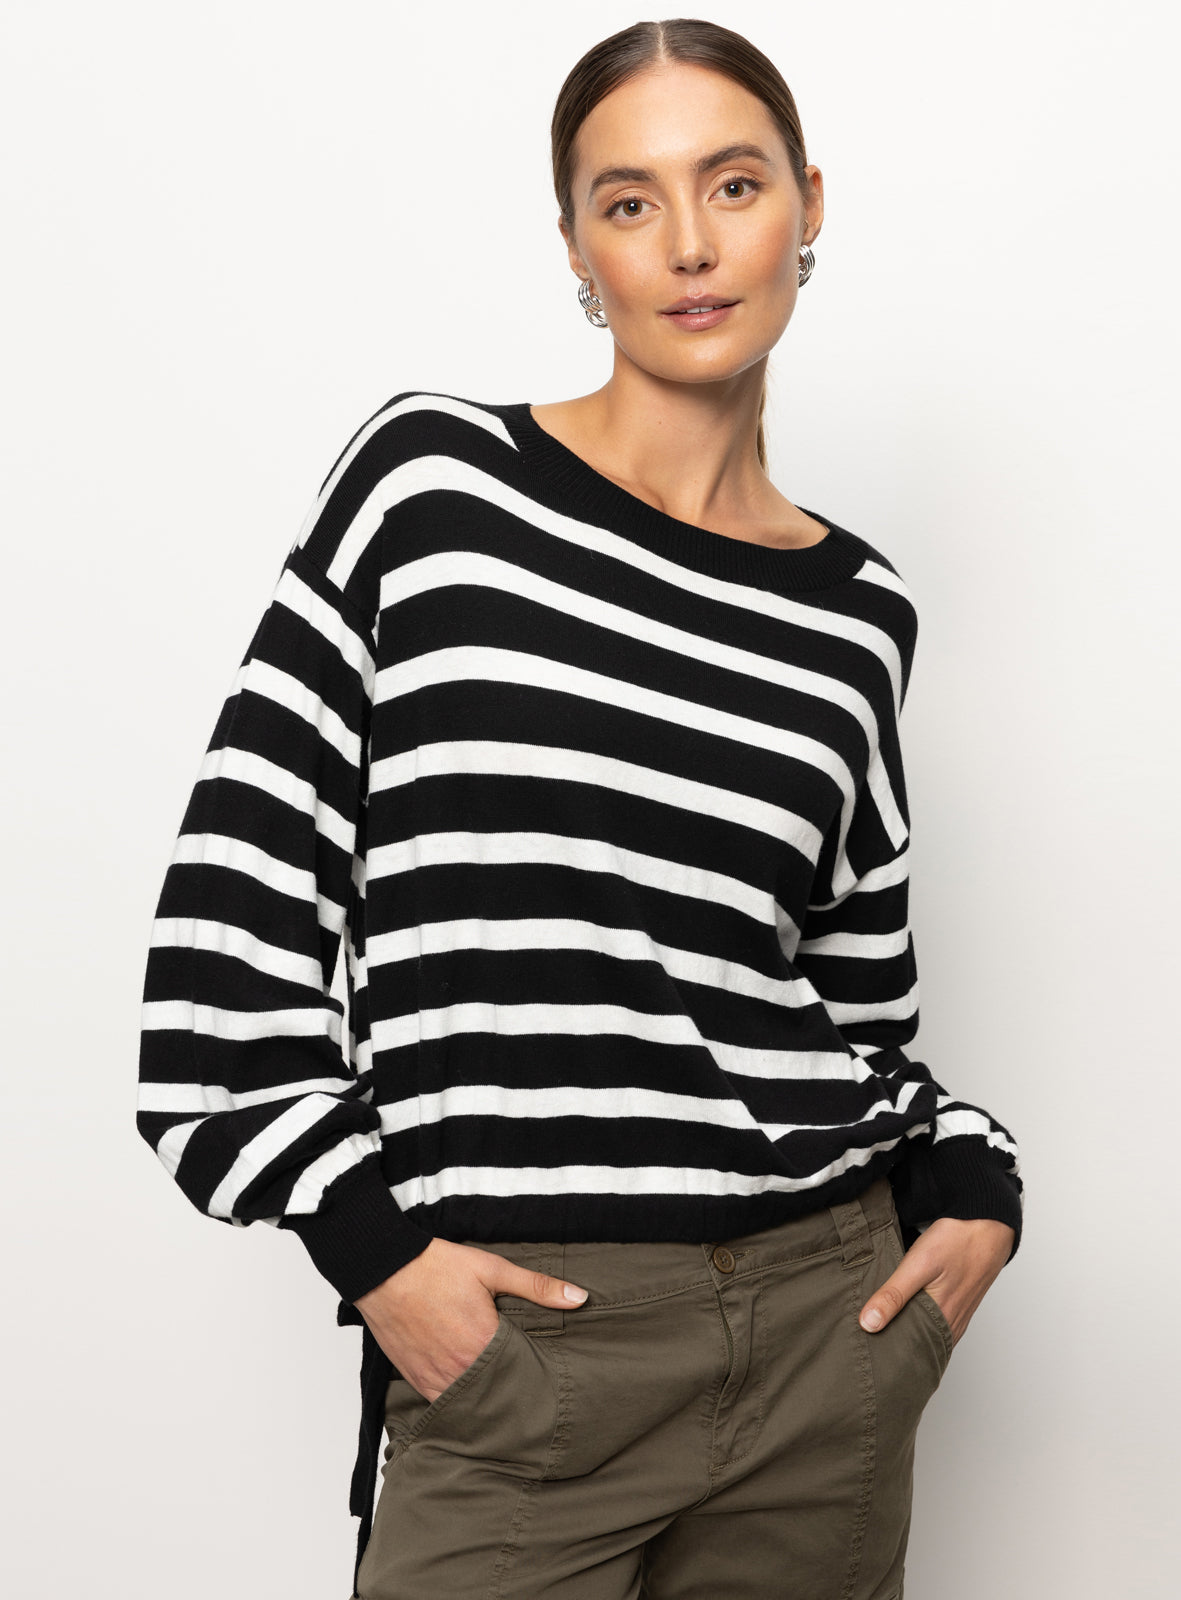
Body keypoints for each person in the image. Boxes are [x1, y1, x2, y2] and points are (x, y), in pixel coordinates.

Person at [137, 17, 1023, 1599]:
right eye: (629, 200)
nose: (690, 244)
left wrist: (968, 1180)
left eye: (734, 184)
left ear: (808, 206)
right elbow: (232, 928)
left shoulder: (857, 611)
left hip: (826, 1333)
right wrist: (375, 1254)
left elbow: (853, 1004)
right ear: (575, 246)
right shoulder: (432, 493)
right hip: (527, 1344)